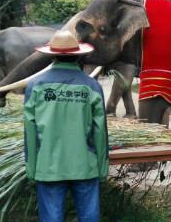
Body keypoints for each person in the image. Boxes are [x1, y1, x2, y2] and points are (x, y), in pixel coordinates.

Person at [24, 30, 108, 222]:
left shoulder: (35, 87)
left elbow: (30, 131)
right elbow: (100, 131)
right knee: (89, 217)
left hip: (48, 167)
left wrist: (32, 168)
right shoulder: (92, 87)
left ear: (52, 54)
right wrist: (102, 167)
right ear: (79, 55)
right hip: (85, 166)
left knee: (52, 217)